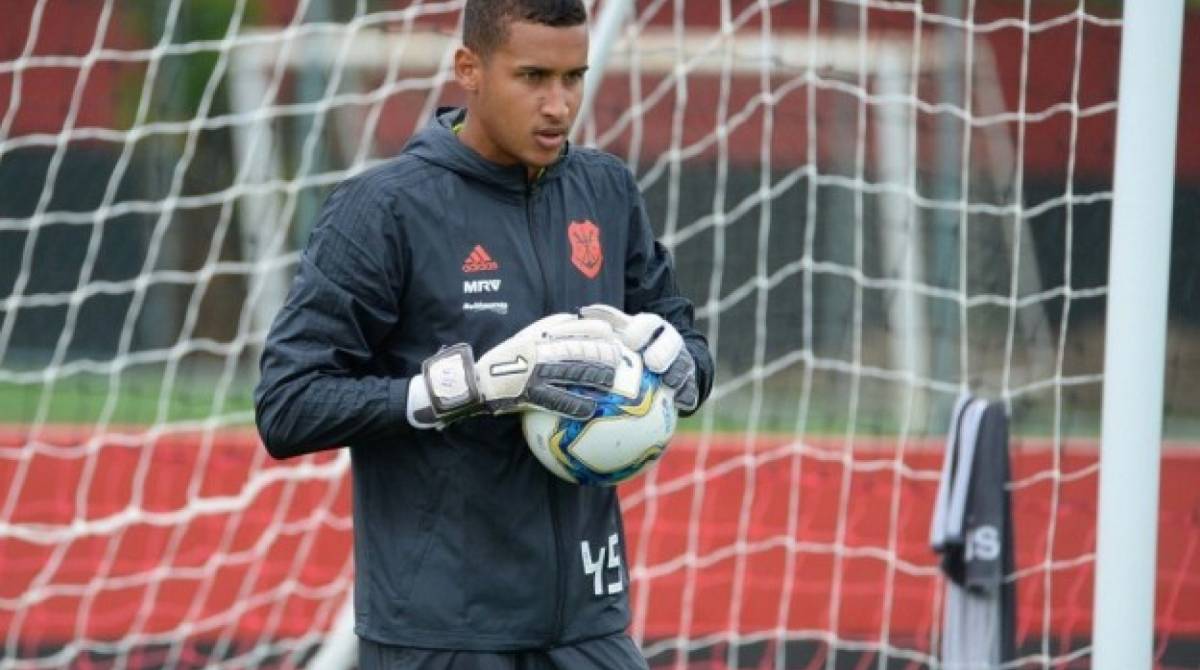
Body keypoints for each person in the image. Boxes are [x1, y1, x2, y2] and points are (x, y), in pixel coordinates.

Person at [253, 0, 713, 667]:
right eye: (533, 77)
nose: (559, 105)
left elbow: (685, 343)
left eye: (573, 77)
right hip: (442, 635)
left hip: (589, 626)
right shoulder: (384, 210)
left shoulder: (606, 193)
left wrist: (681, 366)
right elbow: (288, 405)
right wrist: (459, 391)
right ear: (469, 69)